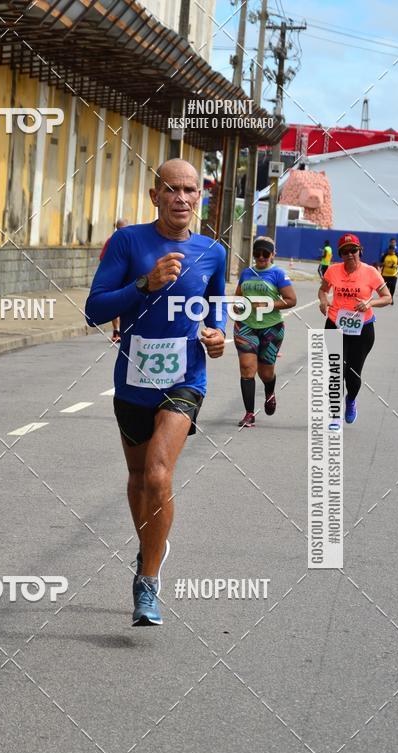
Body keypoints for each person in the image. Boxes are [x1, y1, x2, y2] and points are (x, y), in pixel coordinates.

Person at [85, 159, 227, 626]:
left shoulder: (213, 252)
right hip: (133, 378)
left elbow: (217, 309)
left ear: (198, 197)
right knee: (138, 480)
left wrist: (218, 335)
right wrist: (145, 284)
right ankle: (151, 548)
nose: (183, 198)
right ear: (155, 195)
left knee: (159, 474)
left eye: (191, 190)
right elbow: (94, 308)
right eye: (172, 190)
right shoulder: (129, 243)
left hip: (185, 378)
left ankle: (147, 581)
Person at [318, 233, 392, 424]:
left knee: (352, 374)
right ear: (340, 254)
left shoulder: (370, 272)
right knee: (336, 371)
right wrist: (323, 300)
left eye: (353, 250)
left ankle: (350, 400)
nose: (350, 254)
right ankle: (334, 415)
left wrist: (370, 303)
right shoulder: (333, 271)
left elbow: (387, 297)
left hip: (362, 329)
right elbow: (323, 289)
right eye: (345, 251)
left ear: (360, 251)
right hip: (335, 324)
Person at [234, 236, 297, 428]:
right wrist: (237, 306)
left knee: (266, 373)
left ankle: (270, 393)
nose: (261, 257)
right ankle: (249, 414)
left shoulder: (278, 274)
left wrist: (268, 304)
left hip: (271, 328)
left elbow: (291, 300)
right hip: (246, 326)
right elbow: (238, 297)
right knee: (247, 368)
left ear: (272, 255)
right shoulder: (246, 273)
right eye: (257, 253)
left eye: (265, 254)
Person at [99, 218, 129, 341]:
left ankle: (122, 331)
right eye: (120, 229)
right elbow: (103, 259)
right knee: (116, 304)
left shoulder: (131, 241)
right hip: (115, 278)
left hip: (126, 278)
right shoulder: (112, 242)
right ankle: (117, 331)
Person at [379, 238, 398, 305]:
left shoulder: (397, 254)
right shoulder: (385, 254)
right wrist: (383, 265)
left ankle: (391, 298)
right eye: (390, 250)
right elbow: (380, 263)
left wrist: (396, 266)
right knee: (386, 288)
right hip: (385, 274)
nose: (391, 251)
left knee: (392, 287)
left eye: (392, 250)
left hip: (393, 275)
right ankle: (385, 299)